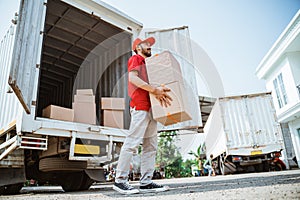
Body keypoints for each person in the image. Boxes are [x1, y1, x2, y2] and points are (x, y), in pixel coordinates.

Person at [113, 37, 172, 195]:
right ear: (138, 47)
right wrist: (154, 90)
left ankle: (146, 182)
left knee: (150, 146)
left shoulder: (148, 65)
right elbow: (132, 78)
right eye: (147, 44)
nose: (150, 46)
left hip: (152, 109)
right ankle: (120, 181)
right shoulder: (136, 58)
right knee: (132, 143)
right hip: (140, 107)